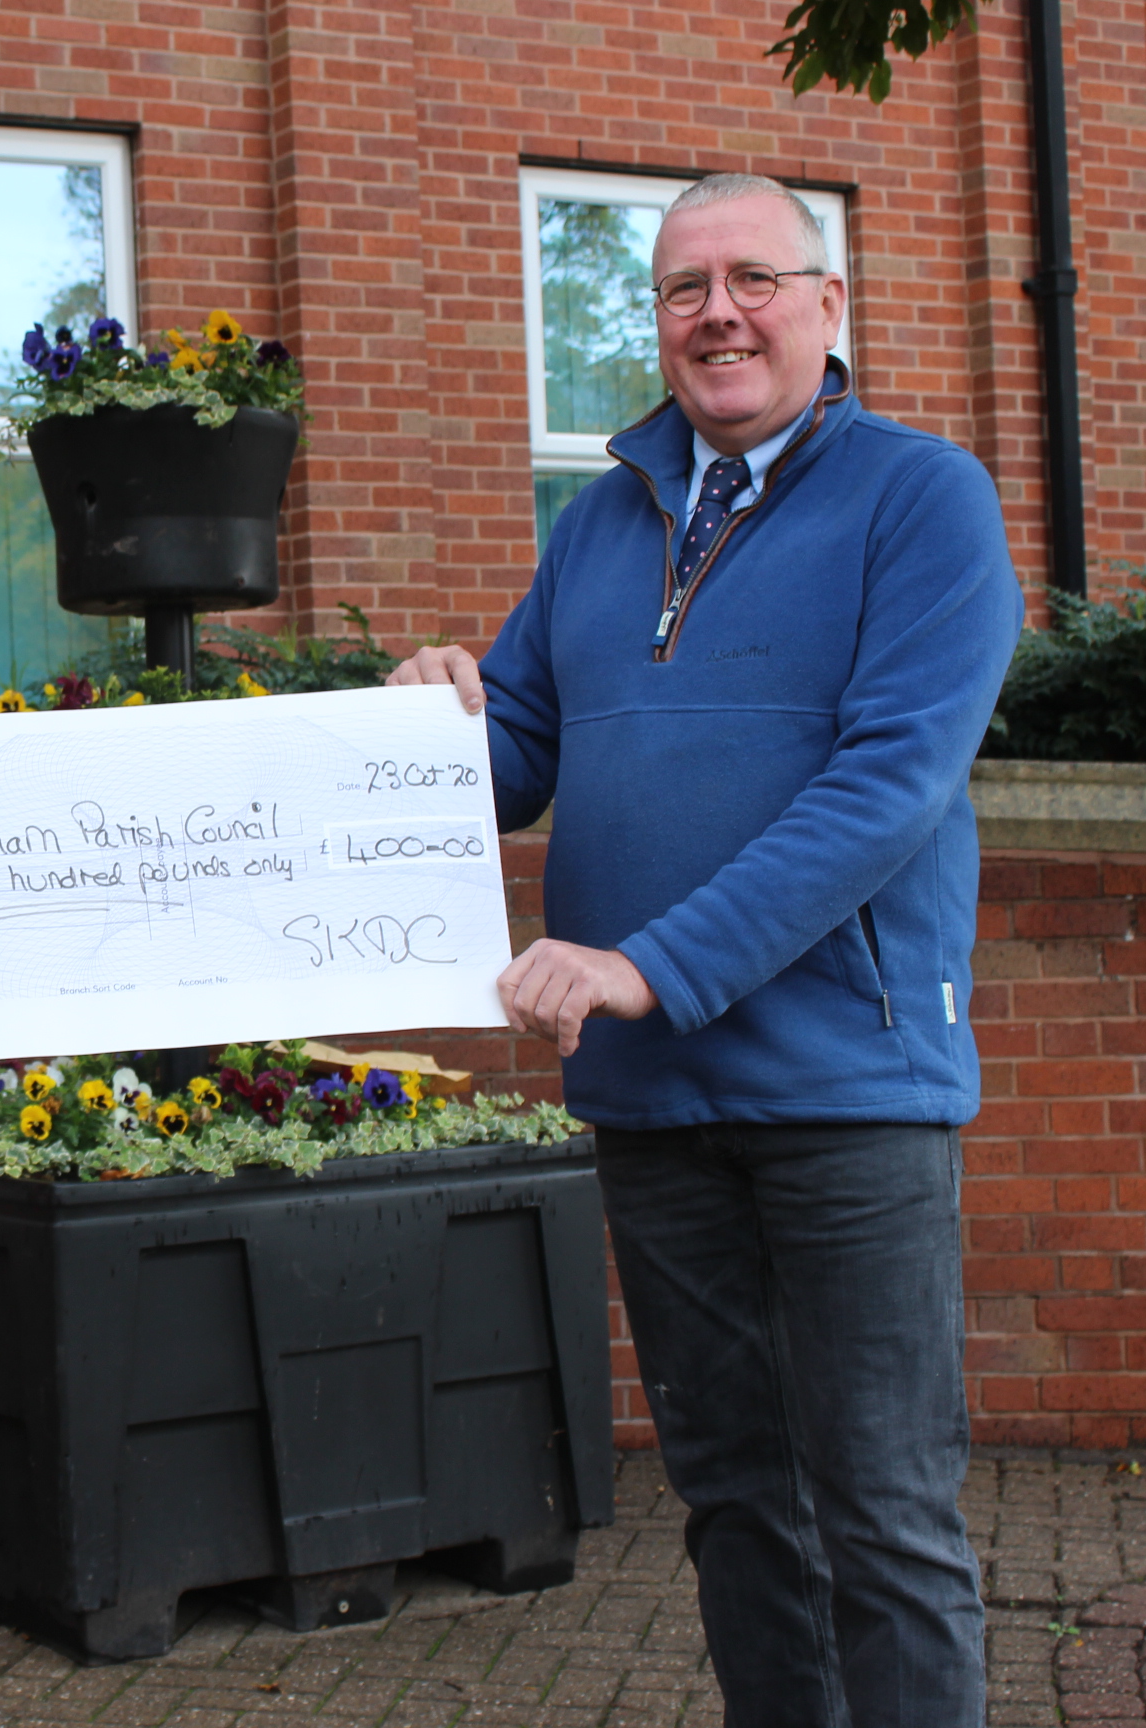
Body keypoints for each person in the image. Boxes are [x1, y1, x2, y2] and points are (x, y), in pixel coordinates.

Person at [391, 174, 1022, 1726]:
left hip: (849, 1089)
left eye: (754, 279)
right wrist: (420, 726)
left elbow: (888, 791)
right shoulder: (603, 520)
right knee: (737, 1501)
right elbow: (520, 748)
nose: (718, 313)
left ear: (829, 303)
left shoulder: (923, 500)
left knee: (884, 1514)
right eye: (685, 289)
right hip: (657, 1106)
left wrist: (643, 966)